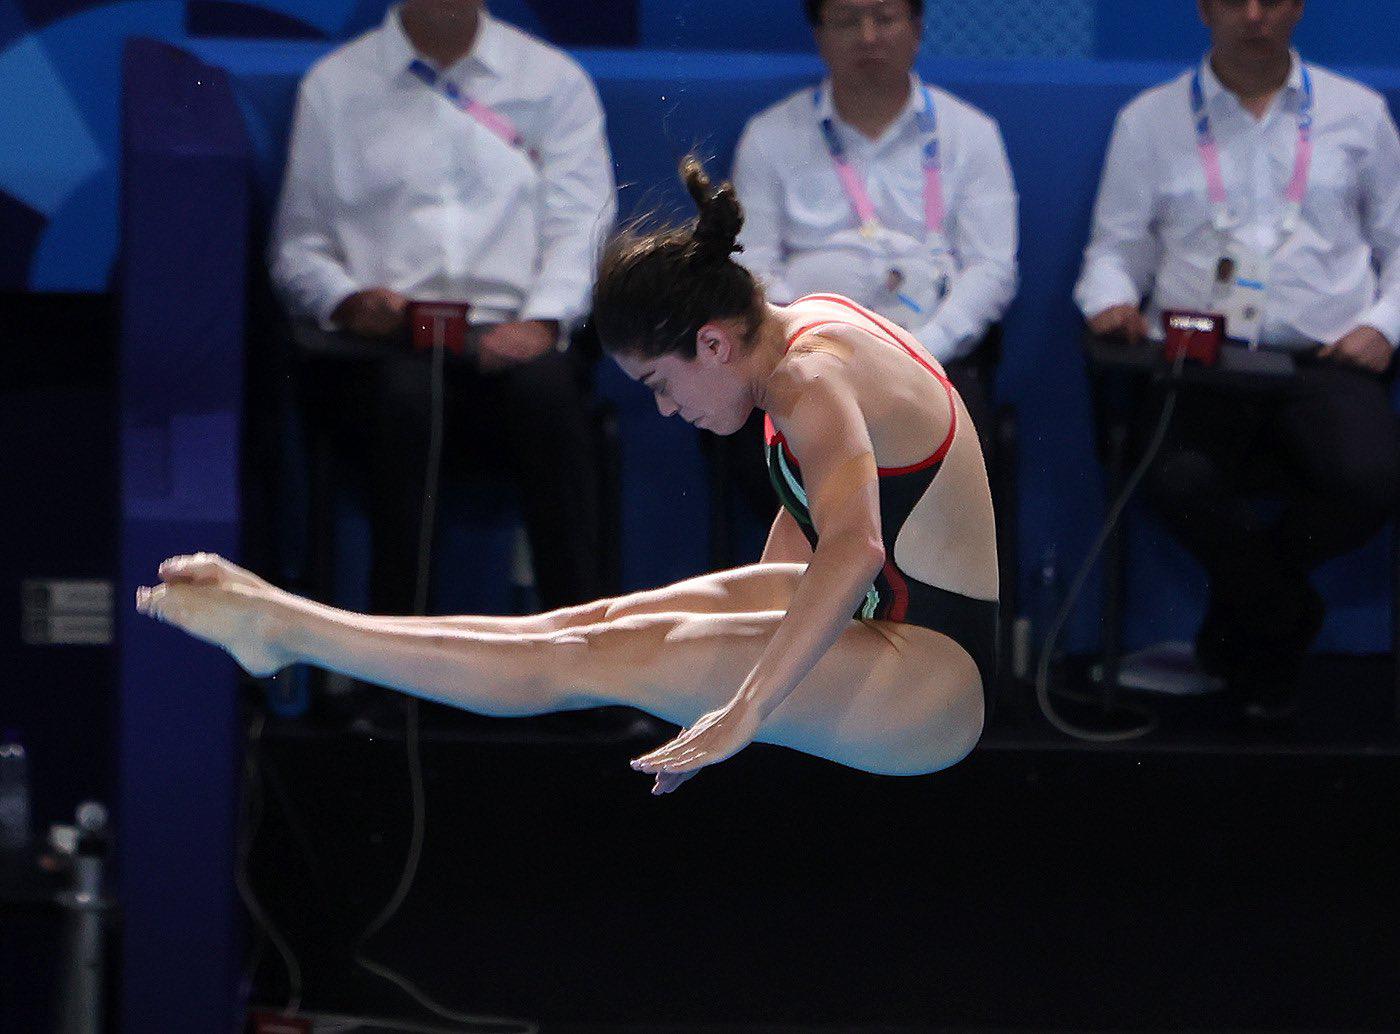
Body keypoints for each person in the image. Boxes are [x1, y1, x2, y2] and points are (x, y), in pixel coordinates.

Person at [137, 159, 998, 794]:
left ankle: (291, 627)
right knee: (588, 626)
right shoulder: (802, 328)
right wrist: (742, 648)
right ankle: (285, 627)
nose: (666, 410)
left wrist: (747, 708)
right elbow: (815, 530)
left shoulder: (809, 374)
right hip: (897, 628)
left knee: (587, 657)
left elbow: (851, 549)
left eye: (660, 385)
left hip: (932, 678)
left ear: (711, 341)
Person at [1074, 0, 1400, 720]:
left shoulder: (1359, 114)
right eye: (1235, 0)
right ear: (1204, 9)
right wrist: (1111, 299)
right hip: (1199, 359)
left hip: (1323, 357)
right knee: (1175, 479)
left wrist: (1386, 323)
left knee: (1374, 480)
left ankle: (1245, 621)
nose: (1255, 16)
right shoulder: (1151, 121)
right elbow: (1114, 249)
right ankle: (1284, 618)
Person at [269, 0, 616, 616]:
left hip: (515, 335)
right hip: (387, 343)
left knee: (550, 394)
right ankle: (391, 666)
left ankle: (584, 662)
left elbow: (582, 226)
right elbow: (299, 247)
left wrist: (542, 320)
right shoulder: (337, 85)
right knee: (405, 396)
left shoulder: (552, 81)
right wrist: (347, 300)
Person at [731, 0, 1018, 452]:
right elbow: (753, 264)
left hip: (933, 359)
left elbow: (992, 269)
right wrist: (813, 350)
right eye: (847, 21)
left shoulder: (971, 134)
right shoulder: (769, 137)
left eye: (884, 18)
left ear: (917, 29)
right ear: (820, 35)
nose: (868, 36)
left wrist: (921, 351)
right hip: (807, 362)